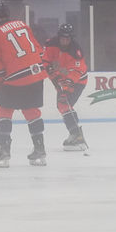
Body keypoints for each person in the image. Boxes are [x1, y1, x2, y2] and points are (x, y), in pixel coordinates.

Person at [0, 1, 47, 167]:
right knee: (31, 110)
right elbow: (38, 48)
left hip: (16, 77)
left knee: (4, 109)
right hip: (36, 73)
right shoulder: (23, 24)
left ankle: (4, 152)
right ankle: (40, 151)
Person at [43, 23, 89, 151]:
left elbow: (76, 73)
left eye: (67, 38)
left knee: (63, 104)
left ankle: (76, 134)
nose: (64, 41)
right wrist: (54, 76)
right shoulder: (51, 44)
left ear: (71, 38)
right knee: (64, 105)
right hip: (61, 79)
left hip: (78, 81)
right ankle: (76, 132)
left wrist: (65, 89)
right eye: (62, 38)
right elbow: (45, 61)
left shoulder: (76, 52)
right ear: (59, 37)